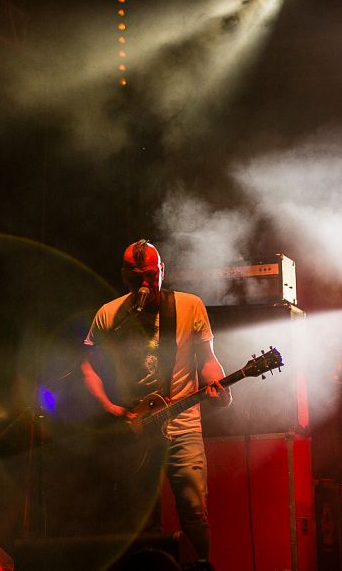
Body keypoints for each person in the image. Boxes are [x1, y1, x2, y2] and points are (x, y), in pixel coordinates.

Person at [81, 239, 231, 561]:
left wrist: (218, 386)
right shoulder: (110, 315)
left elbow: (207, 361)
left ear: (162, 270)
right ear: (125, 276)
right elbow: (88, 366)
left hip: (182, 425)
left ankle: (202, 566)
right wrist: (108, 406)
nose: (145, 284)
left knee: (193, 510)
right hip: (136, 429)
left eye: (150, 275)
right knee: (142, 519)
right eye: (137, 278)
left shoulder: (190, 306)